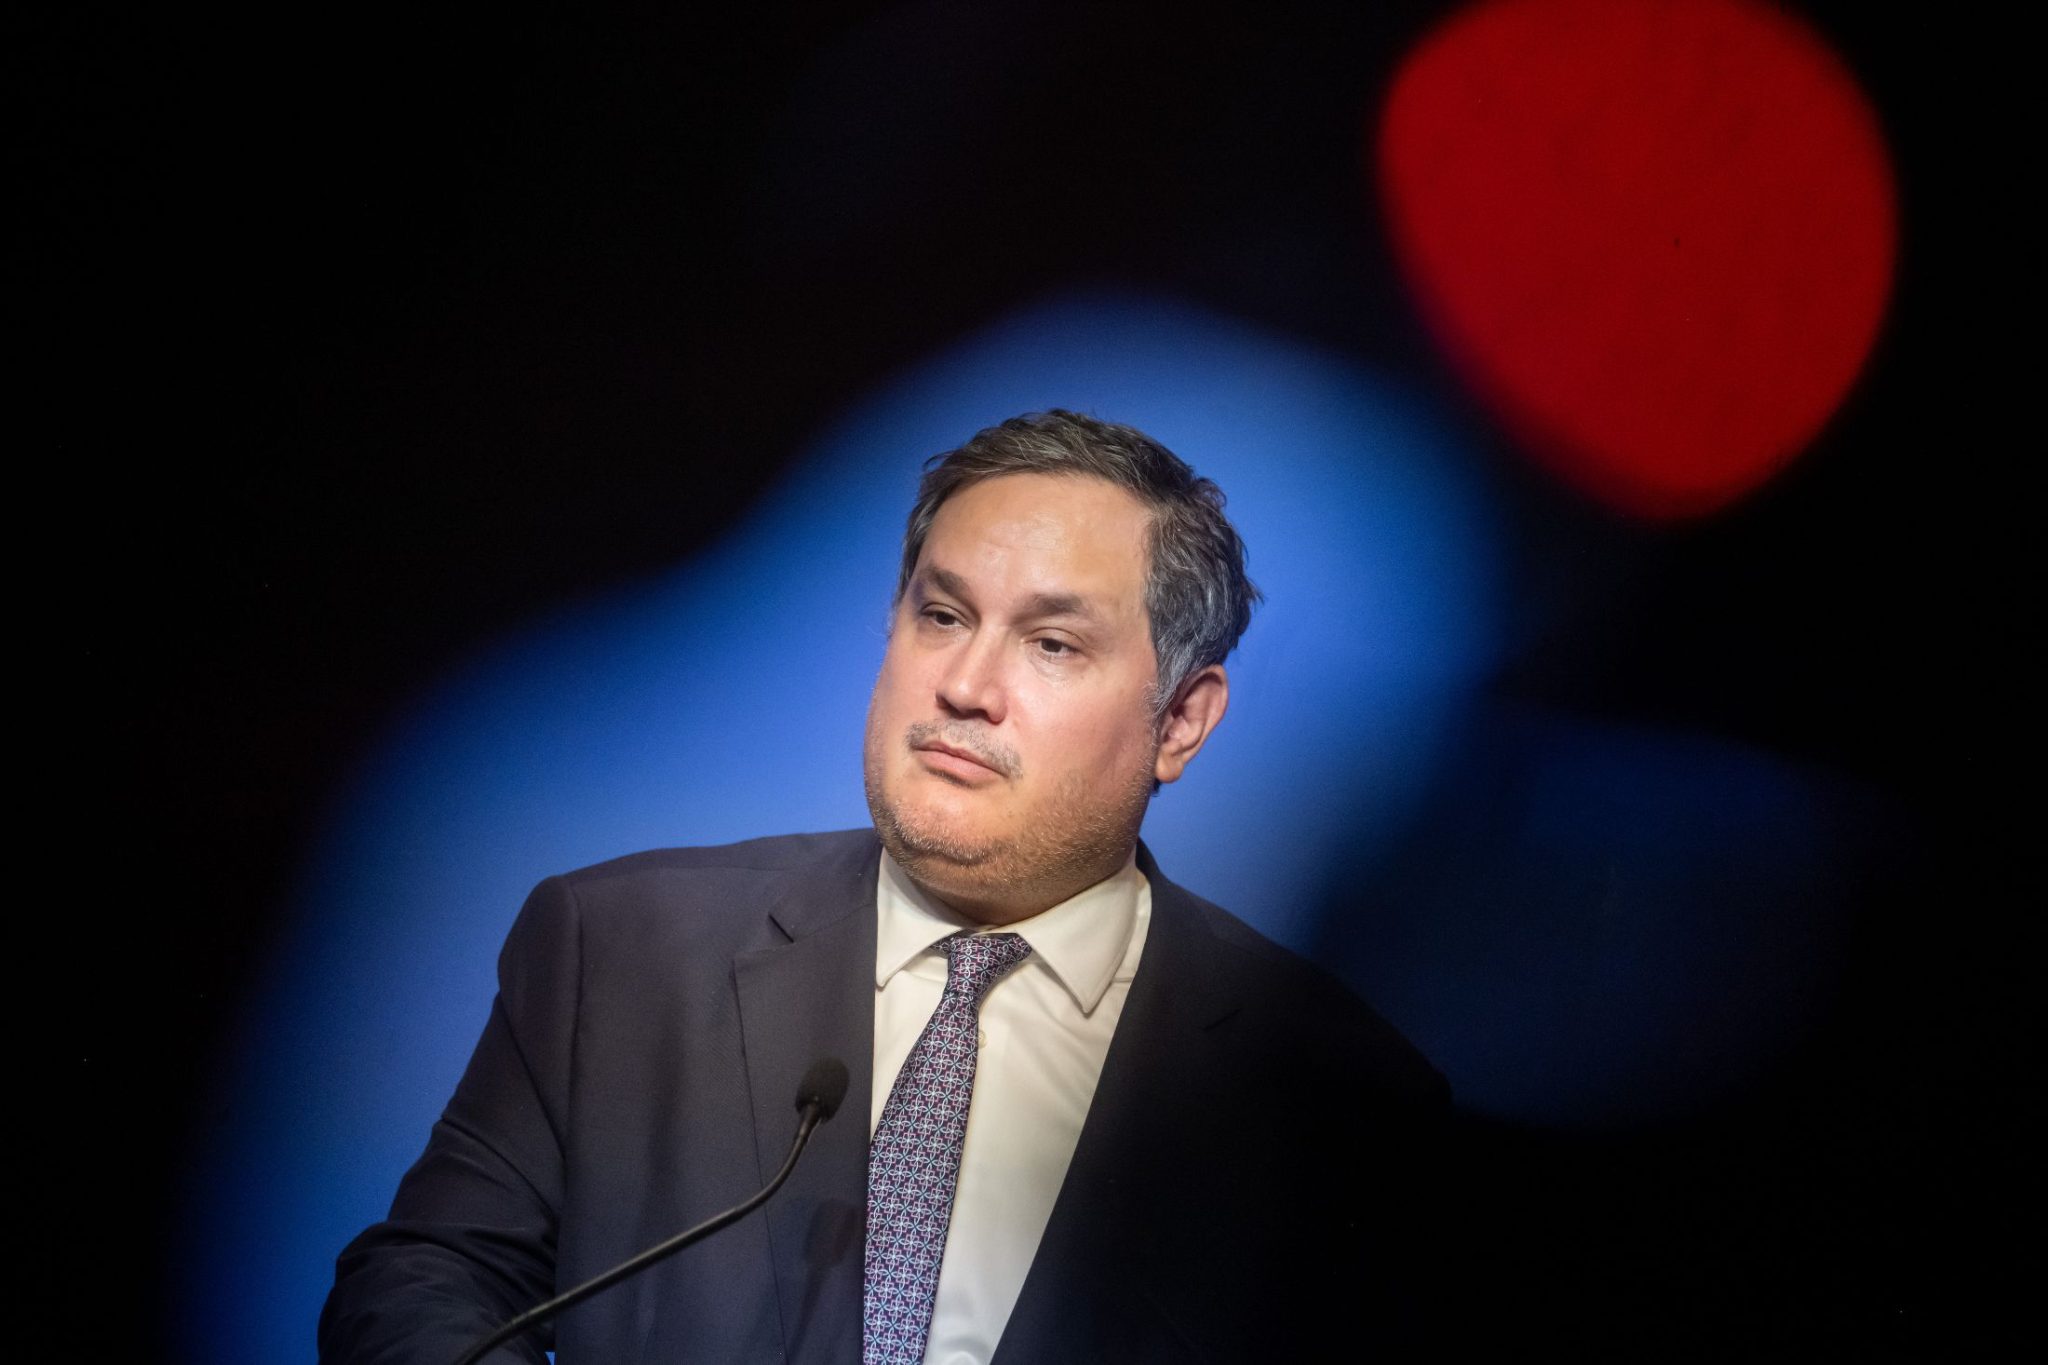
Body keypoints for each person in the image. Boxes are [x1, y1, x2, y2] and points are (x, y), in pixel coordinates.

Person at [320, 410, 1448, 1364]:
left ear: (1182, 721)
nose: (964, 685)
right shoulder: (618, 948)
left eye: (1052, 644)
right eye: (941, 615)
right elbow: (424, 1283)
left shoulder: (1331, 1096)